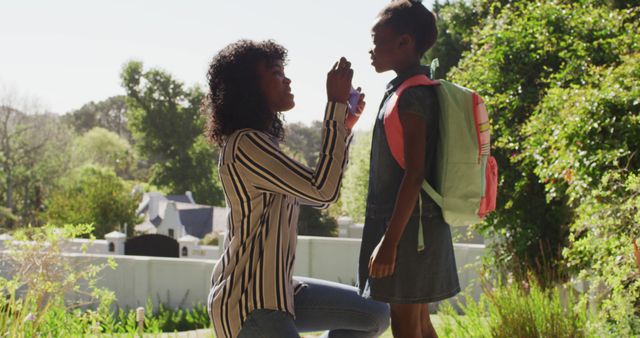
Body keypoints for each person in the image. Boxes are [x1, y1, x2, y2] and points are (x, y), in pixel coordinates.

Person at [203, 39, 390, 338]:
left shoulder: (261, 143)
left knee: (374, 313)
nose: (287, 79)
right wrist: (335, 107)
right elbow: (322, 190)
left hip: (280, 293)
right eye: (276, 72)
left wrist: (343, 127)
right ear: (250, 87)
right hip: (249, 303)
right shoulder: (245, 145)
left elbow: (319, 196)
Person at [358, 1, 461, 338]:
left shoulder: (413, 95)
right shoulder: (406, 90)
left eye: (377, 39)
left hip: (407, 231)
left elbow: (414, 173)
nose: (371, 49)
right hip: (416, 228)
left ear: (404, 42)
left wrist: (389, 242)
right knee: (419, 322)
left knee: (405, 324)